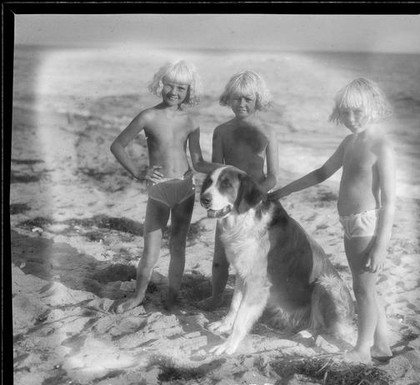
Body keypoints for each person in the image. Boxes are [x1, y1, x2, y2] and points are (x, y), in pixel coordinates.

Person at [268, 77, 395, 364]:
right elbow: (321, 173)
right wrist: (285, 190)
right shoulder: (350, 141)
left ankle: (363, 349)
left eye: (358, 112)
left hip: (367, 224)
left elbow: (389, 201)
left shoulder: (381, 146)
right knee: (366, 285)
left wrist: (381, 245)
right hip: (349, 223)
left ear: (374, 107)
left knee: (362, 288)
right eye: (345, 113)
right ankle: (383, 342)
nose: (351, 120)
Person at [110, 60, 219, 313]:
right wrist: (137, 171)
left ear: (189, 91)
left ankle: (171, 297)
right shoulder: (148, 116)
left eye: (181, 88)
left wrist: (224, 170)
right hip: (159, 189)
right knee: (151, 250)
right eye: (169, 85)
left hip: (185, 188)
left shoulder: (191, 122)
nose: (174, 92)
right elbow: (118, 145)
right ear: (161, 84)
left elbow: (198, 161)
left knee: (178, 247)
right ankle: (138, 296)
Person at [197, 70, 279, 310]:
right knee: (221, 256)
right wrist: (224, 200)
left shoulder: (268, 131)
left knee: (257, 256)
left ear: (258, 101)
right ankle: (216, 297)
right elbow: (217, 172)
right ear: (228, 99)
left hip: (257, 201)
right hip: (228, 202)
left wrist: (254, 197)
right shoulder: (221, 131)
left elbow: (273, 176)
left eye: (248, 99)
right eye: (236, 98)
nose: (241, 104)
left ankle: (259, 302)